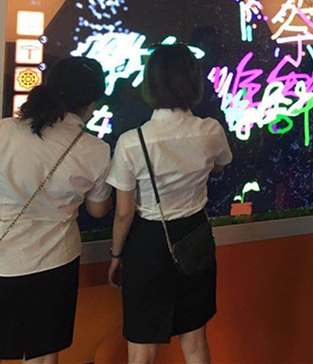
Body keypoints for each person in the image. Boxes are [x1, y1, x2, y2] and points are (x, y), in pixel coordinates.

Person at [106, 44, 232, 364]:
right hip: (195, 236)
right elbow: (221, 165)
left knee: (143, 347)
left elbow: (124, 213)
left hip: (148, 242)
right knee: (196, 342)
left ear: (150, 83)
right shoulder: (211, 129)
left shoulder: (131, 141)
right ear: (193, 80)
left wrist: (116, 255)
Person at [0, 57, 112, 364]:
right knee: (43, 354)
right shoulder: (96, 150)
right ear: (92, 102)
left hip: (4, 256)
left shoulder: (4, 130)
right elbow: (98, 210)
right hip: (54, 260)